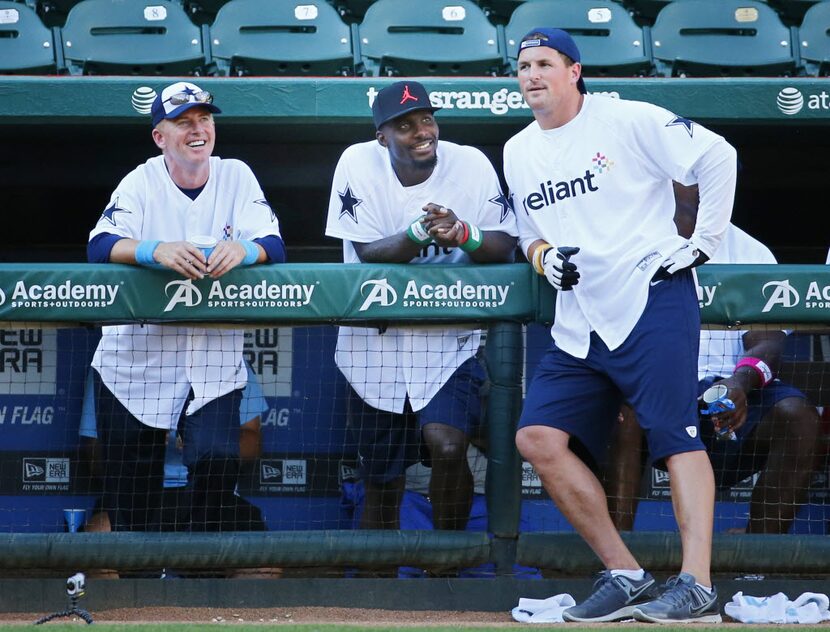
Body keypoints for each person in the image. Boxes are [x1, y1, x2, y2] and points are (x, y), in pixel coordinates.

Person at [504, 28, 736, 623]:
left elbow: (718, 155)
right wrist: (541, 256)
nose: (531, 75)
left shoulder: (626, 118)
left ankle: (698, 585)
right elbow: (528, 229)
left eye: (544, 64)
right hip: (579, 318)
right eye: (523, 65)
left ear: (574, 71)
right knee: (537, 438)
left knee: (676, 437)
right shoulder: (518, 149)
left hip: (649, 296)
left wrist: (703, 240)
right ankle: (626, 573)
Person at [87, 81, 286, 534]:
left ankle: (198, 588)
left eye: (204, 119)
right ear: (160, 136)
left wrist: (246, 251)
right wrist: (153, 250)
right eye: (183, 122)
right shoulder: (141, 180)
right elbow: (99, 245)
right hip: (134, 362)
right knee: (129, 505)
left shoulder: (235, 174)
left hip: (210, 357)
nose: (198, 130)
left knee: (217, 462)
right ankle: (139, 598)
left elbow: (273, 243)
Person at [325, 81, 518, 531]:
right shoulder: (356, 161)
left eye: (427, 119)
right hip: (373, 345)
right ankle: (382, 587)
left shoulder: (469, 163)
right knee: (382, 480)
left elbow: (506, 245)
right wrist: (419, 234)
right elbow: (369, 251)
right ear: (382, 137)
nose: (421, 131)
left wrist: (463, 233)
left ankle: (447, 561)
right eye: (406, 125)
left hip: (449, 339)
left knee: (448, 446)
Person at [606, 185, 822, 536]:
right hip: (659, 392)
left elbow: (767, 343)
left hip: (733, 391)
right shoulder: (628, 244)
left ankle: (757, 562)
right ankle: (617, 563)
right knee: (622, 409)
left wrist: (739, 383)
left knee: (798, 419)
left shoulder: (750, 251)